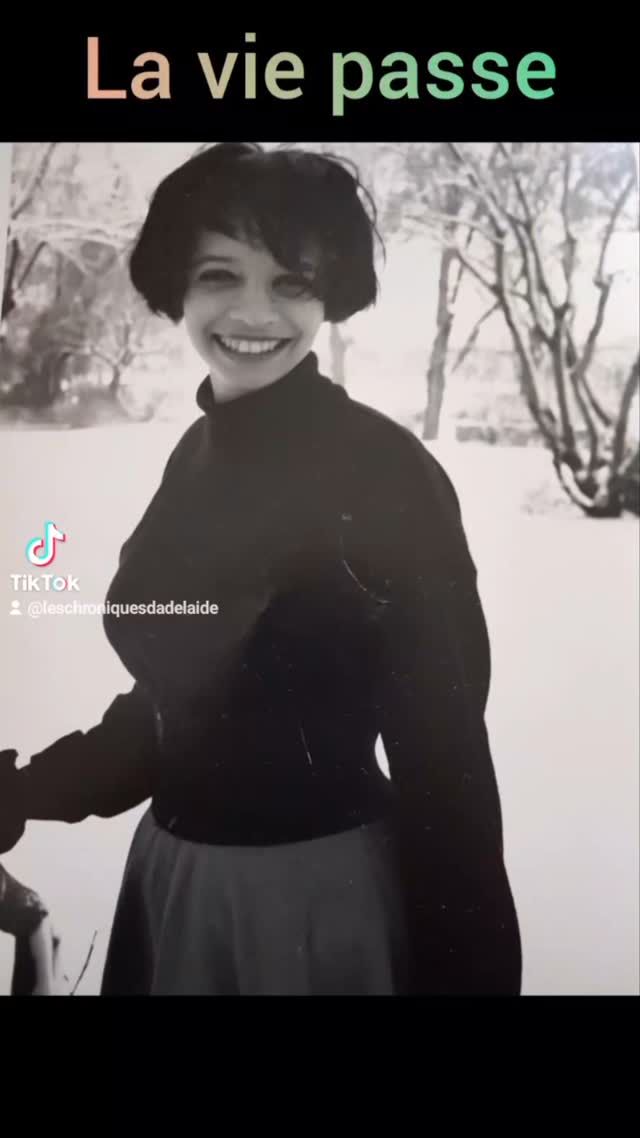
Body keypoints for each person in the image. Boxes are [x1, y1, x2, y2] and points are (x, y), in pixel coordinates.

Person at [0, 142, 522, 996]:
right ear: (177, 283)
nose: (254, 311)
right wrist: (28, 790)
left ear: (330, 292)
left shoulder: (384, 473)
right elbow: (177, 705)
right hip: (176, 892)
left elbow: (447, 766)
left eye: (292, 281)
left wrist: (471, 978)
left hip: (318, 910)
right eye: (220, 274)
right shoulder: (195, 452)